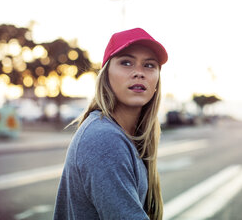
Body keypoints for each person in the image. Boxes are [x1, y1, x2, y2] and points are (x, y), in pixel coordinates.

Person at [54, 28, 168, 220]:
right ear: (106, 75)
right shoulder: (104, 138)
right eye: (126, 62)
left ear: (156, 81)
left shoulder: (124, 135)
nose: (139, 73)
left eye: (149, 65)